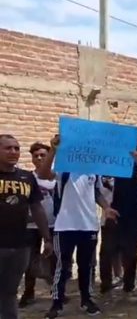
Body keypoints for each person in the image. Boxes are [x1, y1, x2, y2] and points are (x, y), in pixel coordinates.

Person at [38, 135, 119, 318]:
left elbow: (96, 192)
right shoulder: (63, 168)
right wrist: (54, 149)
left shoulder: (93, 170)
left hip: (89, 225)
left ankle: (87, 300)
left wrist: (106, 208)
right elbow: (44, 174)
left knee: (87, 265)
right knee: (62, 265)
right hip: (65, 225)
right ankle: (57, 303)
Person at [0, 134, 53, 319]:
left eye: (16, 148)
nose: (13, 152)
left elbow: (37, 208)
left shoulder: (26, 177)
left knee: (9, 291)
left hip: (20, 245)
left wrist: (47, 238)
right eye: (8, 148)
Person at [108, 129, 137, 294]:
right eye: (136, 141)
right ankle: (110, 280)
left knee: (131, 250)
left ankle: (129, 282)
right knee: (111, 248)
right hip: (117, 211)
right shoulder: (117, 162)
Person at [19, 142, 57, 308]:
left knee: (56, 260)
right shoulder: (28, 178)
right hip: (31, 226)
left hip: (55, 224)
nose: (40, 158)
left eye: (43, 154)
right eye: (36, 155)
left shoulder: (56, 177)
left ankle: (56, 292)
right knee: (30, 260)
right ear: (32, 159)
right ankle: (29, 292)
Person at [98, 176, 123, 294]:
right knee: (106, 251)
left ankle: (121, 276)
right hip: (107, 218)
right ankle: (106, 283)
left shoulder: (124, 173)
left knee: (123, 249)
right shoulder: (97, 176)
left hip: (126, 215)